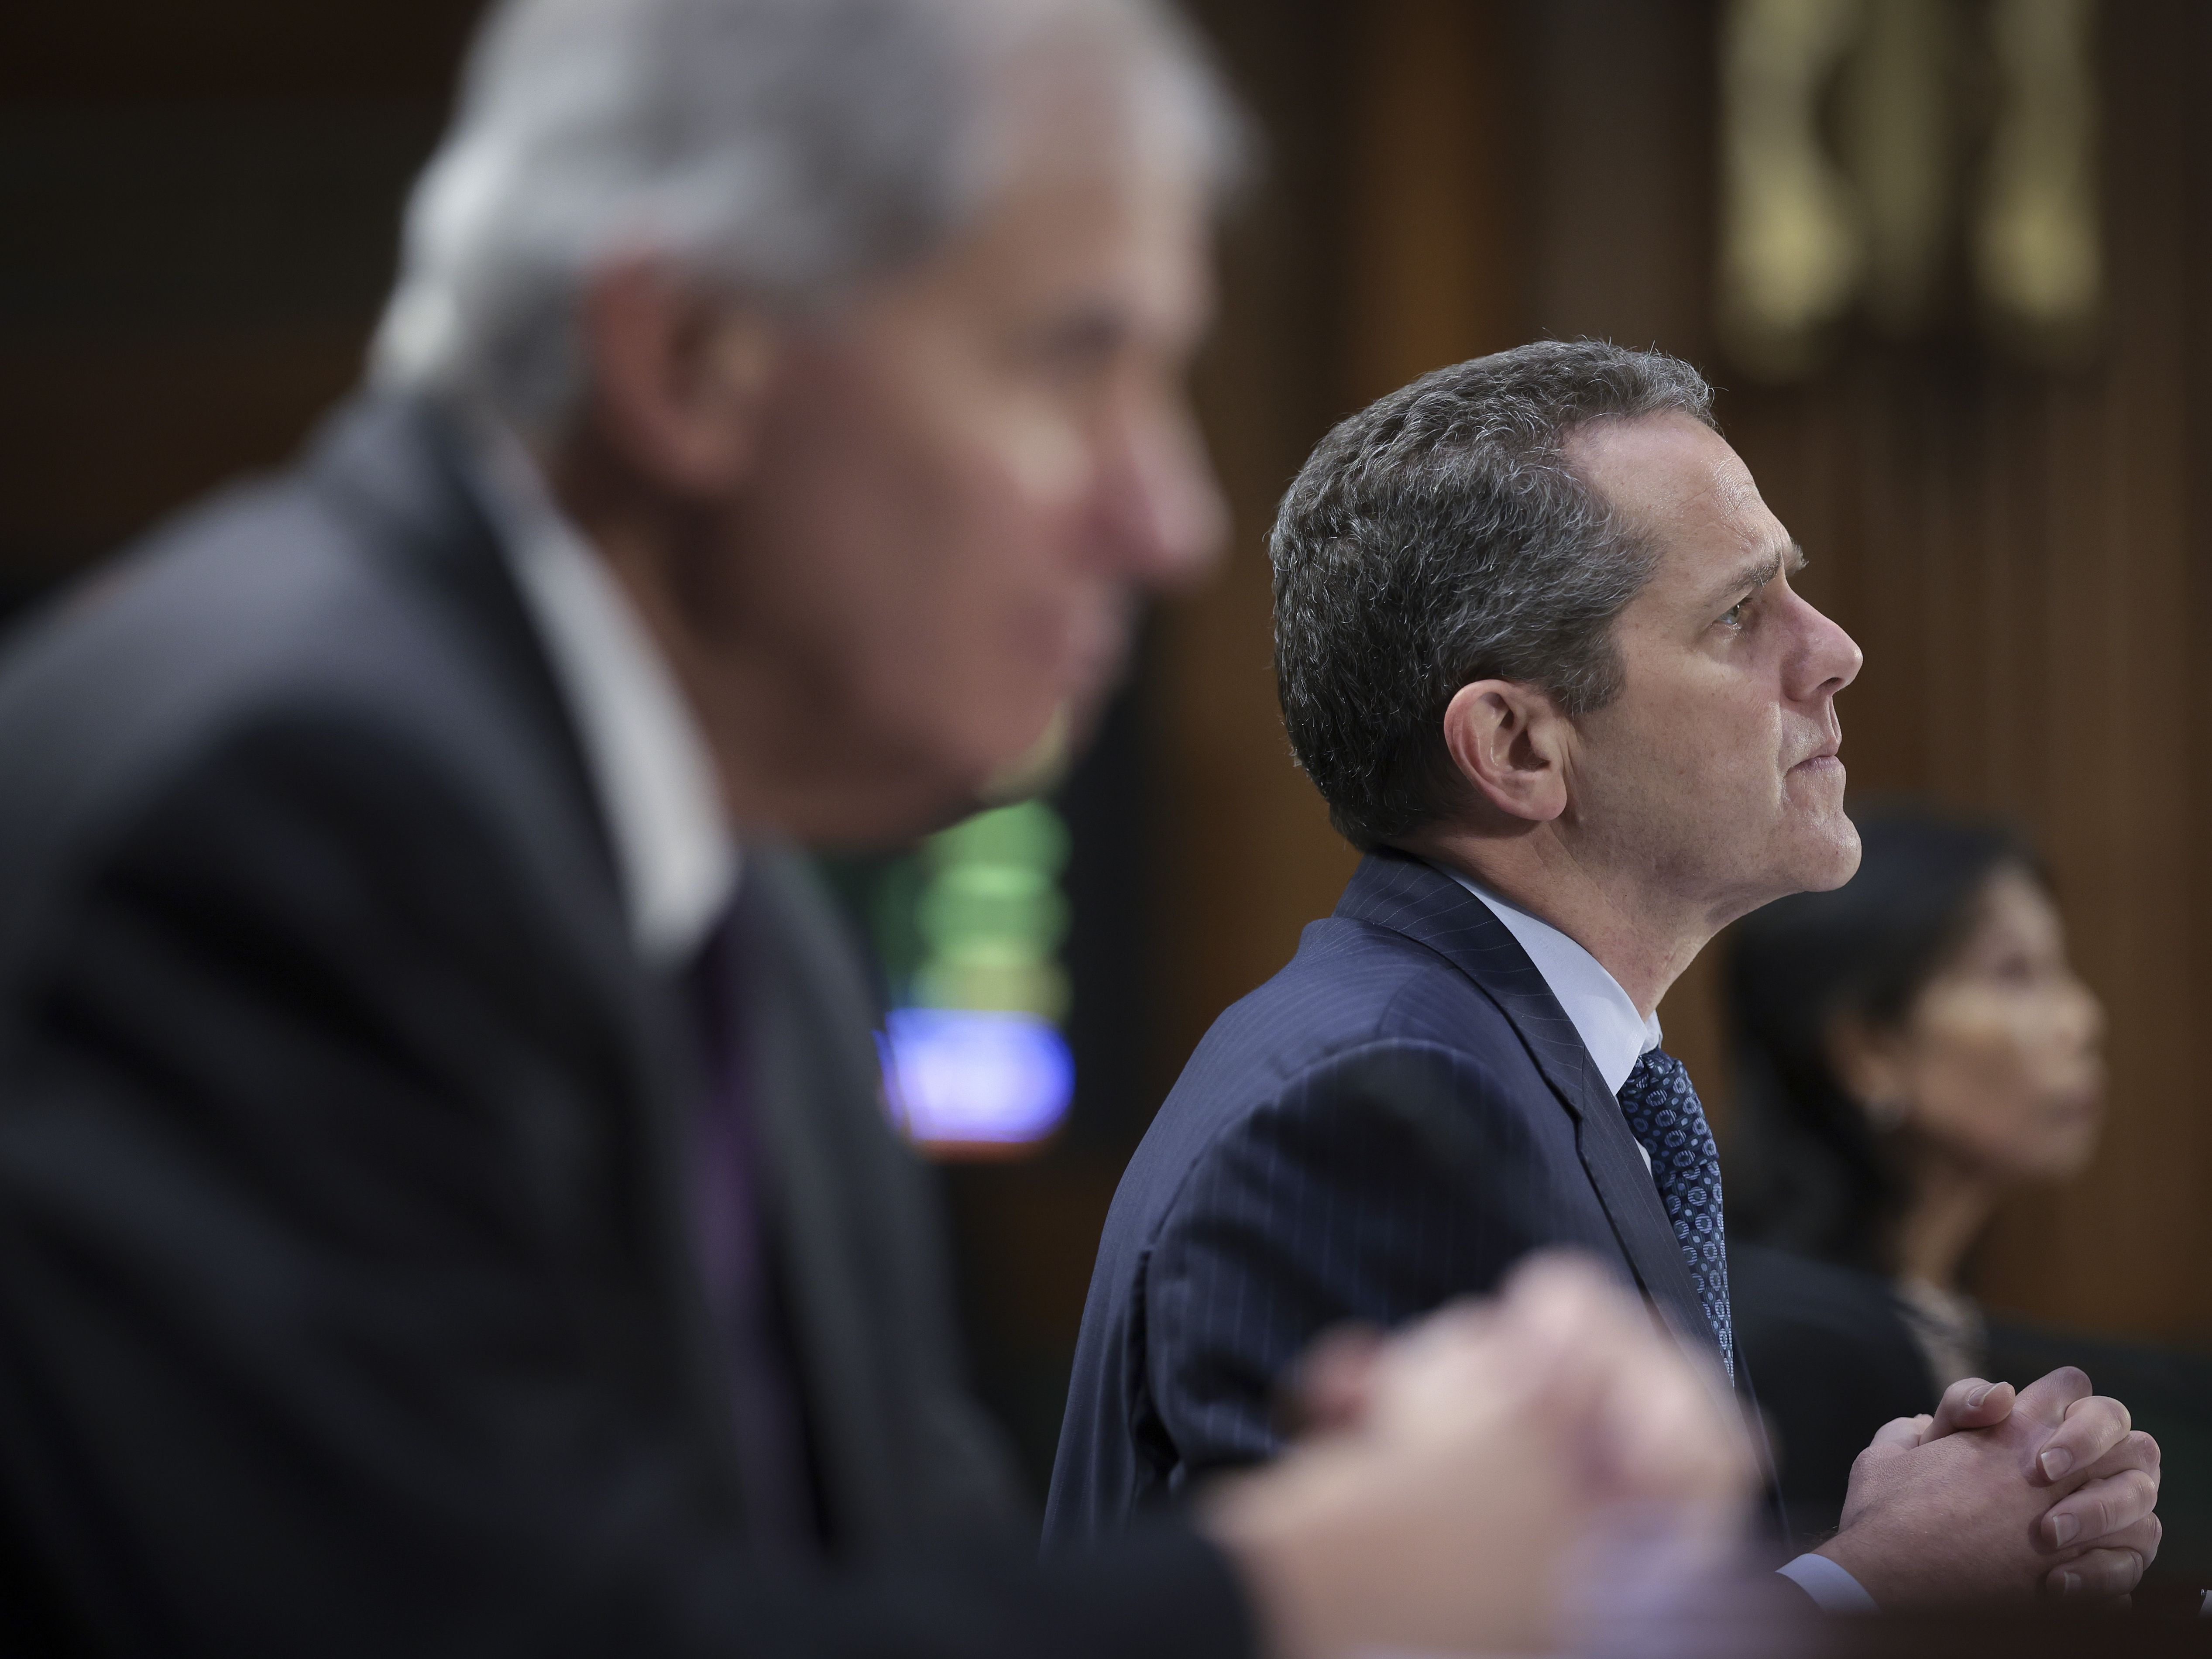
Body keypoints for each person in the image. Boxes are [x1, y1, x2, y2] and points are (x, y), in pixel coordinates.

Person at [0, 3, 1761, 1655]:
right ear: (689, 356)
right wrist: (1305, 1584)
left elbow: (875, 1577)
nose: (1170, 521)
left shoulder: (730, 891)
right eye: (1078, 367)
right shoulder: (303, 800)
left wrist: (1405, 1496)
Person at [1045, 340, 2164, 1610]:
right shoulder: (1377, 1114)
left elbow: (1576, 1605)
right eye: (1740, 614)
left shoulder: (1498, 1058)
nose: (1836, 647)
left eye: (1795, 588)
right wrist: (1864, 1589)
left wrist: (1887, 1537)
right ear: (1519, 745)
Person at [1726, 809, 2212, 1573]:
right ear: (1870, 1047)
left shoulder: (1928, 1316)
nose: (2083, 1019)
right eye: (2014, 973)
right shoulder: (1787, 1348)